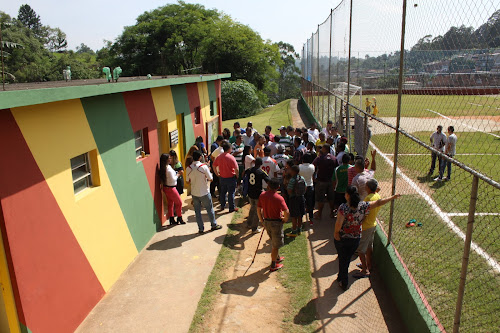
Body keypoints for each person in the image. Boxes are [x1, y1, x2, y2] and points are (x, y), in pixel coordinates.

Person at [334, 185, 400, 290]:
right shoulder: (363, 205)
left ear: (347, 195)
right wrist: (392, 197)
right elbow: (378, 202)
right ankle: (340, 276)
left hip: (343, 238)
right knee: (346, 258)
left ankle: (343, 280)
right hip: (356, 238)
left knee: (343, 260)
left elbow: (339, 223)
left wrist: (336, 233)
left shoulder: (343, 207)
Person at [257, 178, 289, 272]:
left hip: (266, 221)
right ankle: (273, 264)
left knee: (273, 239)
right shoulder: (279, 198)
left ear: (268, 186)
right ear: (278, 187)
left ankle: (277, 257)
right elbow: (286, 211)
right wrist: (285, 219)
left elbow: (259, 209)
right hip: (276, 223)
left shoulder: (262, 195)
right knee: (276, 245)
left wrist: (261, 220)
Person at [186, 151, 222, 234]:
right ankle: (213, 225)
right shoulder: (204, 167)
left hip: (194, 193)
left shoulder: (189, 168)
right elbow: (211, 179)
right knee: (209, 210)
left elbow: (187, 182)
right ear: (200, 157)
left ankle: (201, 229)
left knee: (197, 212)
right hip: (204, 192)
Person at [355, 178, 381, 278]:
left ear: (369, 188)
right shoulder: (377, 196)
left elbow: (364, 213)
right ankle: (368, 265)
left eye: (366, 185)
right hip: (373, 224)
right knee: (369, 247)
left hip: (366, 226)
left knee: (361, 250)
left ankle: (365, 271)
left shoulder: (368, 199)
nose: (365, 187)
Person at [245, 158, 271, 233]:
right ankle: (254, 228)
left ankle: (249, 223)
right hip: (257, 194)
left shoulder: (249, 170)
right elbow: (268, 180)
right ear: (261, 164)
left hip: (250, 193)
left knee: (252, 208)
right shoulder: (261, 172)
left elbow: (244, 173)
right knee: (257, 211)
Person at [213, 142, 239, 212]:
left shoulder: (219, 157)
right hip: (231, 177)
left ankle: (222, 206)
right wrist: (237, 176)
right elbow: (236, 169)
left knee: (223, 192)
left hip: (222, 177)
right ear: (229, 149)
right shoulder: (231, 157)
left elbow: (214, 165)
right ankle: (231, 207)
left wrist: (216, 173)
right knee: (231, 193)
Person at [313, 144, 338, 219]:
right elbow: (336, 168)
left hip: (321, 181)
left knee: (321, 198)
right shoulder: (334, 158)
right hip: (331, 181)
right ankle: (331, 213)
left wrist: (314, 177)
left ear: (325, 149)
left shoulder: (319, 158)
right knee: (331, 198)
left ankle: (319, 214)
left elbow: (313, 166)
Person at [159, 153, 185, 225]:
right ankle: (179, 217)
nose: (170, 159)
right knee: (179, 203)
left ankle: (171, 218)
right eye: (169, 158)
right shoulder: (168, 169)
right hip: (171, 188)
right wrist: (178, 174)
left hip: (166, 187)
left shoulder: (165, 167)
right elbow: (173, 179)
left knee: (170, 203)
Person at [287, 165, 306, 236]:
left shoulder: (292, 180)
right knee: (300, 215)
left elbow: (289, 190)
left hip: (294, 199)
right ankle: (299, 229)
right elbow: (305, 187)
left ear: (293, 171)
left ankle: (294, 231)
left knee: (294, 216)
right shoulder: (302, 178)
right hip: (301, 197)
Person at [299, 152, 316, 223]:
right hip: (310, 186)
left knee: (302, 202)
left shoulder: (299, 167)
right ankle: (311, 217)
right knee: (310, 203)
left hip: (302, 186)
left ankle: (301, 217)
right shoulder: (312, 166)